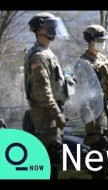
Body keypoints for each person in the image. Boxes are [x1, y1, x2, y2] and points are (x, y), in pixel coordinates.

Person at [23, 12, 70, 179]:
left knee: (52, 160)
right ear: (39, 30)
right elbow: (42, 92)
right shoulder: (40, 56)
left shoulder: (46, 53)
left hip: (49, 116)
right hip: (44, 118)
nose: (54, 30)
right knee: (49, 161)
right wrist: (56, 114)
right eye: (50, 26)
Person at [74, 24, 108, 179]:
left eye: (104, 40)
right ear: (90, 40)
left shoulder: (104, 60)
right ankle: (97, 175)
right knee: (98, 142)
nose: (103, 43)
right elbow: (82, 92)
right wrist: (88, 116)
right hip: (94, 109)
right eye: (100, 40)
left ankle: (104, 173)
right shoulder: (83, 63)